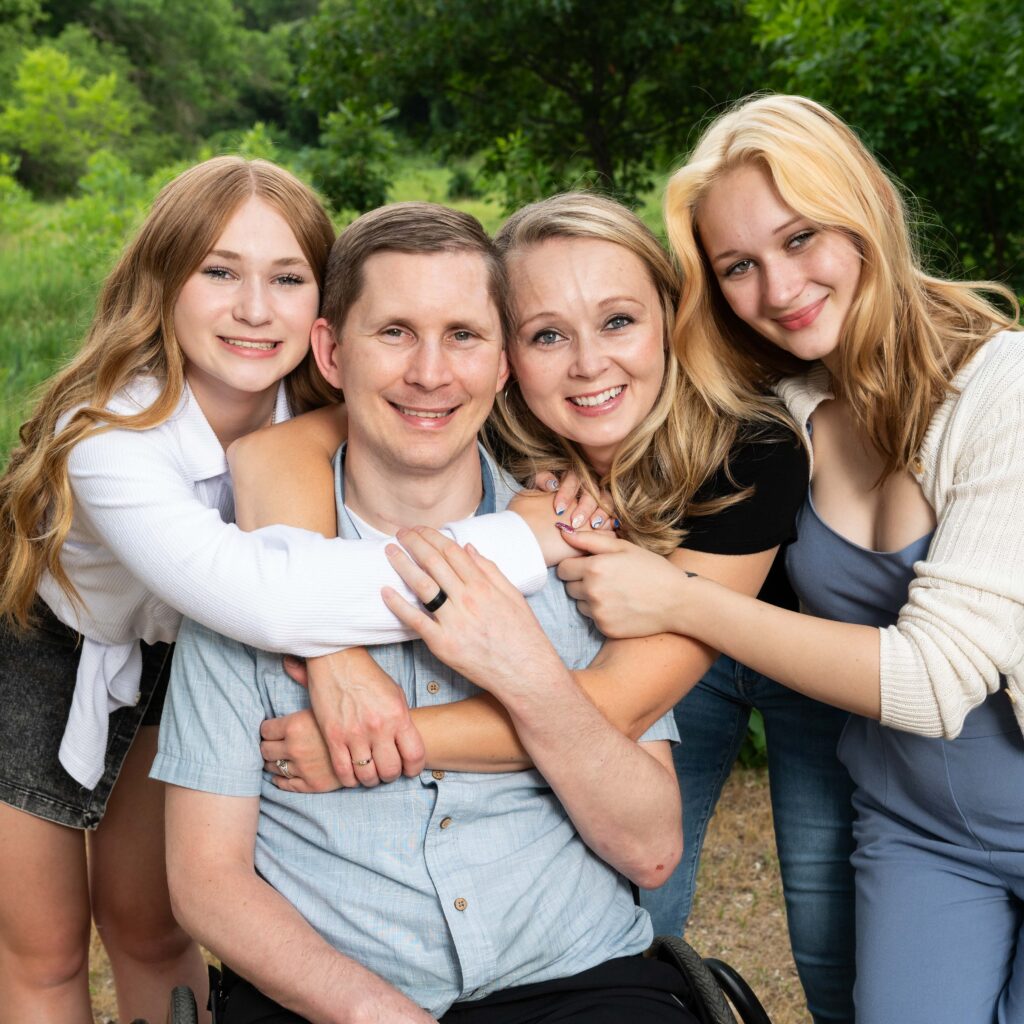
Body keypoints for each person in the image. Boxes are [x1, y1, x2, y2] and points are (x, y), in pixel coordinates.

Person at [228, 195, 833, 1012]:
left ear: (668, 320)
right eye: (547, 335)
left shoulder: (747, 449)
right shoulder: (487, 425)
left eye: (618, 321)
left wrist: (364, 745)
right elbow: (272, 455)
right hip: (608, 641)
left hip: (769, 637)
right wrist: (330, 652)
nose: (587, 364)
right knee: (643, 895)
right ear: (507, 356)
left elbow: (612, 706)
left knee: (811, 907)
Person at [0, 158, 550, 1024]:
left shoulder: (327, 408)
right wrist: (527, 538)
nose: (255, 309)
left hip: (194, 657)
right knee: (44, 946)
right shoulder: (107, 436)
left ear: (324, 315)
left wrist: (559, 492)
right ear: (163, 281)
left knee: (149, 926)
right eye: (219, 271)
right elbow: (266, 595)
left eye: (288, 278)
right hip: (50, 647)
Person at [153, 200, 694, 1024]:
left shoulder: (588, 555)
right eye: (396, 332)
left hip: (580, 982)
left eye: (464, 336)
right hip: (333, 1001)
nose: (431, 373)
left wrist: (525, 670)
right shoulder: (244, 585)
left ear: (503, 363)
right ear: (331, 352)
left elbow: (651, 850)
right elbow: (206, 883)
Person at [555, 94, 1024, 1024]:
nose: (777, 289)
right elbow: (611, 398)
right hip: (918, 835)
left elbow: (935, 680)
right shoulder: (786, 403)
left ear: (866, 212)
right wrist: (568, 471)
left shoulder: (1004, 389)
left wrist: (679, 599)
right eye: (738, 265)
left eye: (801, 237)